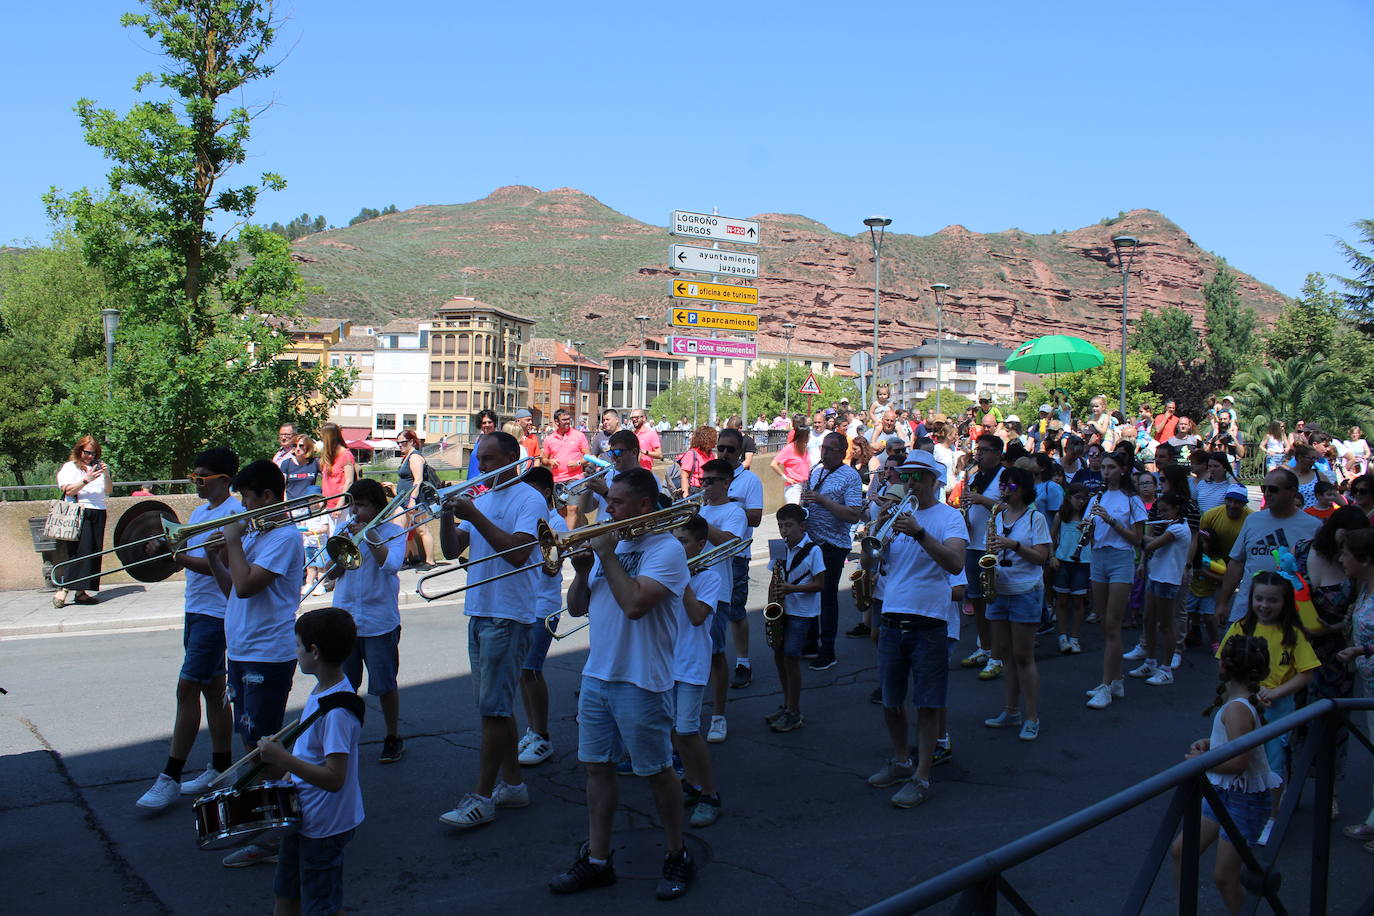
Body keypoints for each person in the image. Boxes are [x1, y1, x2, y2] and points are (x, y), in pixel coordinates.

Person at [548, 469, 695, 900]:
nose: (606, 509)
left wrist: (607, 555)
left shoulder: (666, 549)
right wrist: (581, 570)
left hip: (642, 679)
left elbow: (633, 604)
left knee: (656, 772)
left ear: (644, 506)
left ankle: (676, 852)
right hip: (598, 675)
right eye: (607, 500)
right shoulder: (607, 549)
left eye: (616, 502)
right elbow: (576, 610)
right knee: (597, 768)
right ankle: (597, 859)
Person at [437, 432, 547, 830]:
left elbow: (518, 552)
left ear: (512, 459)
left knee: (493, 711)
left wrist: (474, 515)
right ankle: (514, 785)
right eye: (478, 459)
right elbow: (452, 551)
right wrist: (448, 514)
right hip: (481, 610)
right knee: (496, 708)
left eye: (488, 459)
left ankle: (482, 797)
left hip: (508, 613)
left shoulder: (529, 499)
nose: (480, 467)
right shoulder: (482, 498)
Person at [205, 459, 305, 868]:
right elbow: (232, 588)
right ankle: (272, 824)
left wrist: (231, 541)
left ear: (267, 497)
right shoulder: (258, 535)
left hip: (269, 652)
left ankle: (281, 833)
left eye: (247, 498)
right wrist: (216, 557)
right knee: (252, 744)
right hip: (243, 650)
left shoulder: (283, 537)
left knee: (263, 745)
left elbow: (247, 586)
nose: (242, 507)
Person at [135, 447, 242, 810]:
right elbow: (182, 550)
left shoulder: (234, 515)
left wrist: (175, 556)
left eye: (202, 477)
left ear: (224, 480)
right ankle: (222, 766)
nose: (195, 481)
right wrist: (160, 546)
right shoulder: (199, 512)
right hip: (195, 609)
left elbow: (220, 566)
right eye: (194, 476)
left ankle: (170, 776)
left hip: (215, 613)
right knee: (213, 690)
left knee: (187, 689)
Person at [864, 450, 967, 808]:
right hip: (892, 617)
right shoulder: (896, 517)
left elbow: (955, 563)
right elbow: (873, 561)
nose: (910, 483)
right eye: (906, 476)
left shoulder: (950, 518)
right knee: (891, 701)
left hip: (929, 621)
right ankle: (900, 761)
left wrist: (920, 532)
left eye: (918, 477)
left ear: (933, 481)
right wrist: (875, 535)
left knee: (927, 704)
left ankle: (922, 776)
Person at [258, 607, 365, 916]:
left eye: (298, 645)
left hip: (325, 824)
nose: (296, 651)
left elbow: (335, 778)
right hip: (304, 813)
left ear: (314, 651)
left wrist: (284, 759)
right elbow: (312, 754)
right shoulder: (322, 691)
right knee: (286, 892)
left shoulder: (336, 712)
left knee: (322, 907)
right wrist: (287, 778)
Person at [1169, 634, 1281, 915]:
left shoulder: (1237, 708)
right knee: (1182, 851)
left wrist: (1203, 761)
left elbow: (1239, 761)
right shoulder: (1238, 703)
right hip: (1224, 792)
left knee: (1225, 877)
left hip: (1244, 799)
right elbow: (1234, 744)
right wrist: (1212, 745)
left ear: (1224, 667)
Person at [1217, 572, 1319, 836]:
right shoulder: (1241, 626)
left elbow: (1306, 672)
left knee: (1271, 763)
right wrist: (1243, 690)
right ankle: (1229, 806)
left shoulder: (1293, 634)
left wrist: (1276, 692)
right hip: (1240, 705)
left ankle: (1270, 817)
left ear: (1285, 602)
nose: (1264, 605)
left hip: (1277, 708)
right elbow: (1223, 661)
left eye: (1272, 600)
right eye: (1259, 598)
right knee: (1233, 755)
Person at [332, 478, 406, 764]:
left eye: (361, 505)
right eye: (352, 504)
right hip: (345, 620)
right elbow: (332, 574)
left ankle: (392, 736)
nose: (355, 511)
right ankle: (346, 738)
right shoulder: (343, 529)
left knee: (384, 685)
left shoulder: (394, 531)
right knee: (345, 686)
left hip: (379, 621)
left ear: (376, 507)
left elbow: (391, 566)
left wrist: (369, 535)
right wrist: (345, 546)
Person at [981, 465, 1052, 740]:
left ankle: (1032, 716)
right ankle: (1011, 711)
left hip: (1025, 590)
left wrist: (1013, 545)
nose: (1005, 490)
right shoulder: (997, 516)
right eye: (1003, 486)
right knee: (1005, 655)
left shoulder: (1035, 518)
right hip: (999, 588)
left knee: (1023, 656)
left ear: (1022, 489)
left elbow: (1041, 557)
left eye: (1010, 486)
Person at [1214, 469, 1321, 627]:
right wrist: (1223, 602)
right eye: (1264, 489)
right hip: (1247, 611)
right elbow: (1237, 563)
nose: (1267, 493)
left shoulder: (1313, 526)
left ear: (1292, 491)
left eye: (1273, 489)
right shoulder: (1253, 520)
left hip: (1290, 617)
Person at [1084, 453, 1148, 709]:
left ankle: (1107, 685)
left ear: (1122, 470)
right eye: (1104, 468)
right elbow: (1090, 531)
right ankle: (1116, 678)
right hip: (1098, 556)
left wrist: (1111, 521)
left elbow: (1137, 540)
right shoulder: (1096, 497)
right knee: (1102, 620)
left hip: (1121, 558)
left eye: (1111, 467)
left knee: (1113, 624)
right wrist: (1086, 529)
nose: (1105, 472)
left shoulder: (1132, 500)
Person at [672, 515, 724, 826]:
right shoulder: (668, 572)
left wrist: (680, 580)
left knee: (688, 731)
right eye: (674, 540)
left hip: (691, 661)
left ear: (700, 545)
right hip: (665, 661)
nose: (676, 547)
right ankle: (692, 783)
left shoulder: (708, 577)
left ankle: (710, 794)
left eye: (683, 542)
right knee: (673, 731)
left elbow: (695, 617)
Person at [801, 432, 865, 670]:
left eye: (830, 450)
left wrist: (822, 501)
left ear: (841, 453)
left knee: (827, 598)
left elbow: (853, 514)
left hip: (833, 545)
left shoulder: (850, 476)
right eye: (823, 448)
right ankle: (810, 643)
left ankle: (827, 650)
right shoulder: (816, 471)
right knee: (808, 594)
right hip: (811, 542)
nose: (824, 453)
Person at [517, 467, 567, 767]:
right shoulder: (526, 519)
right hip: (524, 603)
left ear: (547, 492)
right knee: (524, 672)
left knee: (531, 670)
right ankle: (533, 729)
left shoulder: (556, 522)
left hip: (544, 605)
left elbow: (552, 568)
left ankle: (543, 736)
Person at [763, 504, 826, 734]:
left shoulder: (814, 551)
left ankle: (795, 710)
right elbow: (774, 577)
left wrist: (790, 589)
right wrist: (772, 605)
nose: (784, 531)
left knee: (791, 657)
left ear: (802, 526)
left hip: (801, 612)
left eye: (788, 526)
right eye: (780, 526)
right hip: (783, 610)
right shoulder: (779, 547)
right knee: (779, 656)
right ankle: (786, 704)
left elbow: (821, 585)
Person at [715, 428, 764, 688]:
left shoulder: (749, 481)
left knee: (735, 611)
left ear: (739, 452)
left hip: (735, 554)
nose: (724, 453)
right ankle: (711, 660)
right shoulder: (711, 474)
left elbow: (755, 517)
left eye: (730, 449)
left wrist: (730, 503)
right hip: (709, 555)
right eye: (720, 448)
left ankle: (743, 661)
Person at [1335, 527, 1374, 851]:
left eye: (1346, 554)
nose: (1341, 559)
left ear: (1364, 559)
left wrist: (1362, 651)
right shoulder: (1364, 588)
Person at [1130, 492, 1192, 687]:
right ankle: (1150, 662)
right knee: (1148, 620)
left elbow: (1152, 545)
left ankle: (1166, 669)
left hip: (1168, 580)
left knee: (1166, 625)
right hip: (1155, 576)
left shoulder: (1179, 529)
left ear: (1177, 509)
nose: (1162, 514)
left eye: (1166, 510)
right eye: (1160, 510)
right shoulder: (1170, 526)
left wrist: (1132, 533)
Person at [959, 433, 1006, 678]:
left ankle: (997, 656)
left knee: (993, 603)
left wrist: (982, 500)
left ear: (998, 453)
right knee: (976, 600)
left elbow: (1013, 506)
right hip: (973, 543)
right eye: (978, 450)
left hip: (993, 545)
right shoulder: (976, 476)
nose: (979, 454)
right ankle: (984, 648)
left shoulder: (1006, 477)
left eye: (985, 450)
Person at [1188, 485, 1253, 653]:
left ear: (1244, 503)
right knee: (1198, 599)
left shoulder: (1251, 519)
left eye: (1237, 502)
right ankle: (1196, 629)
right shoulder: (1211, 515)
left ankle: (1225, 638)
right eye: (1229, 500)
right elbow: (1198, 539)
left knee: (1222, 604)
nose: (1232, 505)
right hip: (1211, 562)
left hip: (1235, 566)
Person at [53, 435, 114, 608]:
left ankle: (81, 592)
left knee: (94, 552)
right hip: (80, 511)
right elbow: (68, 490)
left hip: (99, 510)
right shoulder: (70, 467)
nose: (90, 457)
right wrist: (86, 479)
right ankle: (64, 588)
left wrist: (106, 474)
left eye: (93, 453)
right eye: (87, 452)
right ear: (79, 450)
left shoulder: (97, 469)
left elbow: (108, 490)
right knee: (80, 551)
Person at [1052, 484, 1093, 654]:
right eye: (1078, 498)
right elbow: (1052, 537)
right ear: (1069, 498)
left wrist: (1088, 530)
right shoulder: (1061, 515)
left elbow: (1094, 540)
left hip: (1083, 562)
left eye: (1084, 499)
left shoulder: (1090, 517)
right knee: (1061, 601)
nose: (1081, 502)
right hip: (1063, 560)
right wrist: (1051, 556)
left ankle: (1074, 637)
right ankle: (1062, 636)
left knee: (1078, 601)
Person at [393, 430, 439, 570]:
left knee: (422, 529)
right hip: (405, 499)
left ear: (412, 442)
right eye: (398, 443)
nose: (400, 445)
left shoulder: (415, 457)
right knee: (405, 530)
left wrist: (413, 499)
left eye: (403, 442)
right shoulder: (407, 456)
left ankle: (430, 561)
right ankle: (410, 558)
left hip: (415, 499)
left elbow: (418, 480)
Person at [542, 408, 589, 530]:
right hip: (557, 480)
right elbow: (544, 459)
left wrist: (578, 462)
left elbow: (588, 457)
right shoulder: (549, 439)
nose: (568, 422)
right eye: (564, 420)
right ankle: (580, 522)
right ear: (556, 422)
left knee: (572, 508)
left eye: (569, 419)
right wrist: (550, 461)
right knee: (562, 511)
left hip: (575, 478)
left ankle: (568, 540)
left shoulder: (579, 435)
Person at [769, 415, 810, 505]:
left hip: (805, 485)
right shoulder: (789, 448)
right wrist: (786, 478)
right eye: (807, 435)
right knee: (794, 513)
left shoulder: (805, 448)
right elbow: (773, 464)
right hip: (794, 487)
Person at [318, 422, 356, 517]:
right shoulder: (327, 457)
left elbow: (349, 481)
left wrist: (339, 504)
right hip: (327, 505)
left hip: (341, 507)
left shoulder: (346, 455)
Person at [676, 425, 717, 499]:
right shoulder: (692, 454)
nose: (716, 442)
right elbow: (684, 476)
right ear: (706, 440)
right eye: (713, 439)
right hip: (695, 491)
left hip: (708, 490)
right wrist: (686, 498)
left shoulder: (711, 454)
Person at [466, 409, 499, 479]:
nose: (487, 425)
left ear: (494, 423)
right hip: (472, 480)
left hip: (485, 483)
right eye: (484, 423)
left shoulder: (497, 440)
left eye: (490, 422)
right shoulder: (479, 438)